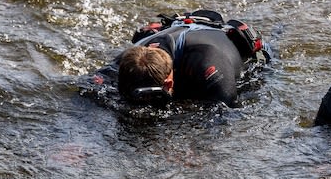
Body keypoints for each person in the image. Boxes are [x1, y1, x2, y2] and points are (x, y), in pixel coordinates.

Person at [98, 9, 269, 106]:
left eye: (150, 97)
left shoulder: (207, 62)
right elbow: (84, 92)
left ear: (169, 83)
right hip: (176, 30)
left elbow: (228, 111)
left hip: (218, 46)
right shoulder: (122, 63)